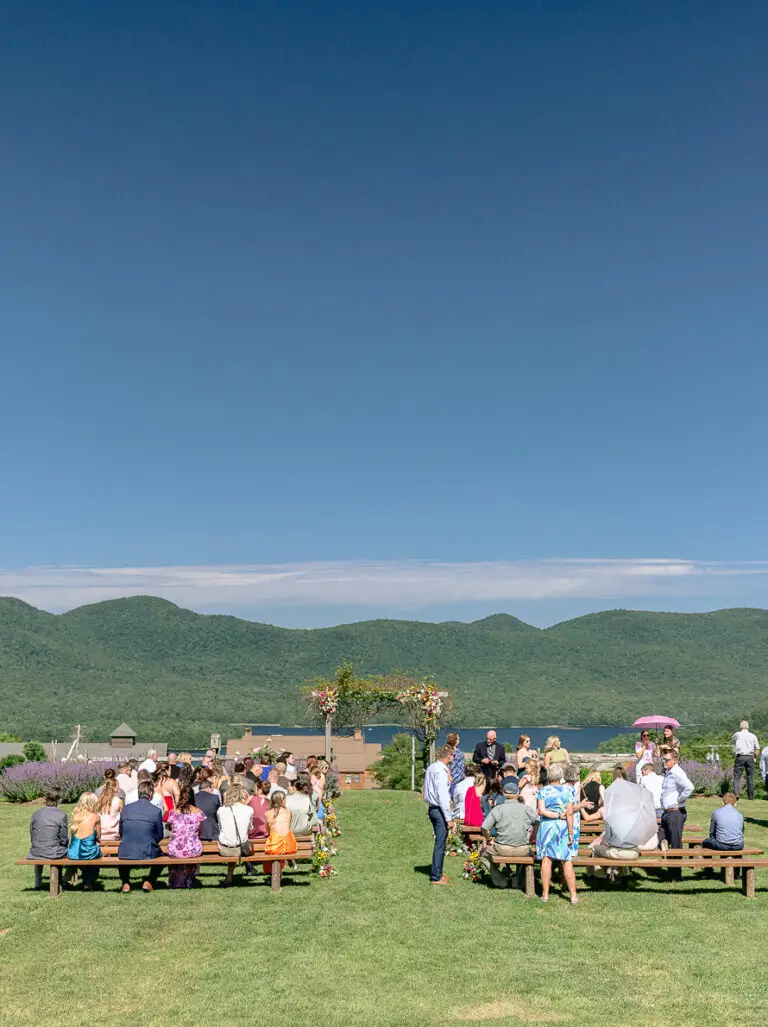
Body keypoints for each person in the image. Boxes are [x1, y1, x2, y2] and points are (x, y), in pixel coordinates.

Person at [479, 776, 538, 887]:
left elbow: (484, 828)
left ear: (504, 794)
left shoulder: (498, 809)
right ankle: (517, 879)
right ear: (517, 794)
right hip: (523, 849)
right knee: (530, 855)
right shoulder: (526, 809)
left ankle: (500, 880)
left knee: (483, 855)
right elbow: (537, 822)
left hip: (501, 848)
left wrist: (488, 839)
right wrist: (533, 836)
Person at [536, 765, 579, 904]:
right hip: (563, 827)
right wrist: (571, 833)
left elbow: (541, 811)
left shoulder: (543, 791)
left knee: (546, 859)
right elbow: (570, 813)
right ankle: (573, 896)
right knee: (566, 860)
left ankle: (545, 894)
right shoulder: (568, 790)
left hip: (547, 827)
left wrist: (555, 815)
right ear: (560, 776)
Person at [118, 781, 165, 892]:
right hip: (147, 850)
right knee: (162, 858)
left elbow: (121, 831)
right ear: (151, 794)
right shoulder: (156, 811)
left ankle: (125, 882)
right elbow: (159, 835)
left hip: (126, 850)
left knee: (124, 856)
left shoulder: (126, 809)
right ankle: (149, 881)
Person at [423, 745, 455, 885]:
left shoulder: (432, 768)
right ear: (448, 756)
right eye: (452, 756)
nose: (453, 758)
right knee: (440, 843)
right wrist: (448, 819)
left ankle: (438, 871)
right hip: (439, 809)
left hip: (432, 807)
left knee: (439, 841)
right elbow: (442, 796)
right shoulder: (441, 772)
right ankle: (436, 876)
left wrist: (449, 781)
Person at [28, 789, 68, 890]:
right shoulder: (61, 815)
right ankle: (59, 881)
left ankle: (38, 883)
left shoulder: (35, 814)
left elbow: (32, 834)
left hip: (35, 851)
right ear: (58, 800)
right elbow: (64, 838)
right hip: (53, 852)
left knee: (41, 850)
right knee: (62, 849)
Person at [166, 785, 205, 888]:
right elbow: (200, 831)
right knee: (191, 849)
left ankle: (175, 882)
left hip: (175, 849)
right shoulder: (198, 812)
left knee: (176, 853)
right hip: (192, 849)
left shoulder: (174, 812)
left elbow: (170, 828)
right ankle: (189, 880)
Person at [658, 752, 694, 859]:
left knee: (675, 843)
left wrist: (680, 800)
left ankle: (676, 872)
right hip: (667, 812)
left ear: (675, 760)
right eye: (663, 760)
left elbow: (690, 787)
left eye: (667, 760)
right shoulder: (669, 772)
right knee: (661, 835)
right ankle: (670, 866)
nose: (664, 762)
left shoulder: (677, 772)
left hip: (675, 812)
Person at [217, 783, 254, 887]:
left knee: (230, 838)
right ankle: (246, 869)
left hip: (224, 848)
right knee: (240, 839)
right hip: (241, 848)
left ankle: (229, 876)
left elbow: (221, 827)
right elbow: (250, 828)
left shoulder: (221, 810)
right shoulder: (249, 809)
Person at [64, 793, 102, 890]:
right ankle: (87, 883)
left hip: (73, 853)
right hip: (88, 852)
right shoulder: (95, 817)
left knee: (81, 858)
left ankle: (66, 880)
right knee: (96, 855)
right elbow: (98, 835)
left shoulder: (76, 815)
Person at [262, 791, 298, 877]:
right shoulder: (288, 811)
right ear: (283, 800)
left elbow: (268, 831)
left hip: (275, 846)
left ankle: (275, 873)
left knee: (272, 845)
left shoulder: (267, 813)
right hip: (290, 845)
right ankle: (280, 870)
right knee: (282, 841)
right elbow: (288, 826)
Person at [732, 720, 760, 801]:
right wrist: (754, 757)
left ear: (741, 726)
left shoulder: (737, 734)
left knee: (737, 776)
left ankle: (736, 793)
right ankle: (751, 797)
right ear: (748, 727)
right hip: (750, 757)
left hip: (740, 756)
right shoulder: (753, 736)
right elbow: (757, 749)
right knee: (750, 777)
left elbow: (733, 741)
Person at [97, 771, 124, 842]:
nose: (118, 789)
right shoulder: (118, 800)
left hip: (100, 833)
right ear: (114, 787)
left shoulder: (99, 800)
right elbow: (123, 817)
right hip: (115, 834)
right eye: (117, 787)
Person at [195, 773, 222, 842]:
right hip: (212, 828)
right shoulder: (214, 797)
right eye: (212, 789)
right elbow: (218, 813)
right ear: (208, 788)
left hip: (196, 828)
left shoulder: (194, 797)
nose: (212, 790)